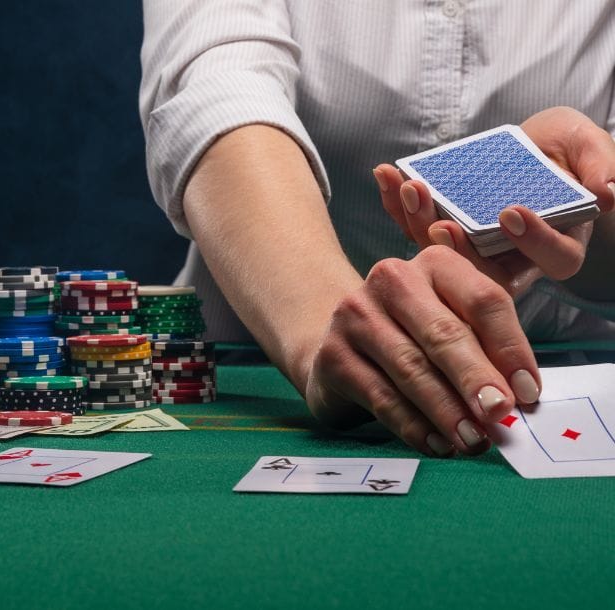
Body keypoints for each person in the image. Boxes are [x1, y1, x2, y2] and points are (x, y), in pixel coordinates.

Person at [139, 1, 615, 457]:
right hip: (257, 382)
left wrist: (576, 201)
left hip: (561, 375)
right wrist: (326, 341)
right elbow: (216, 93)